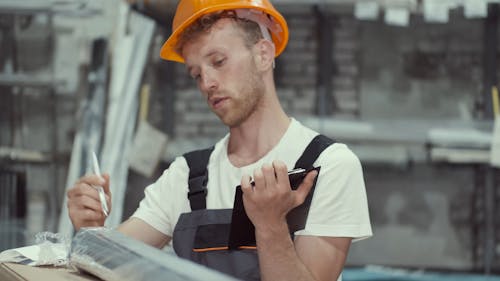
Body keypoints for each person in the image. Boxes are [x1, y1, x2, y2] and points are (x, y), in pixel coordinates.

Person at [67, 0, 372, 280]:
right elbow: (112, 262)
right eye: (196, 74)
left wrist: (270, 226)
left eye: (219, 61)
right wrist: (91, 231)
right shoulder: (187, 176)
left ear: (263, 55)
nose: (207, 83)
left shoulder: (328, 166)